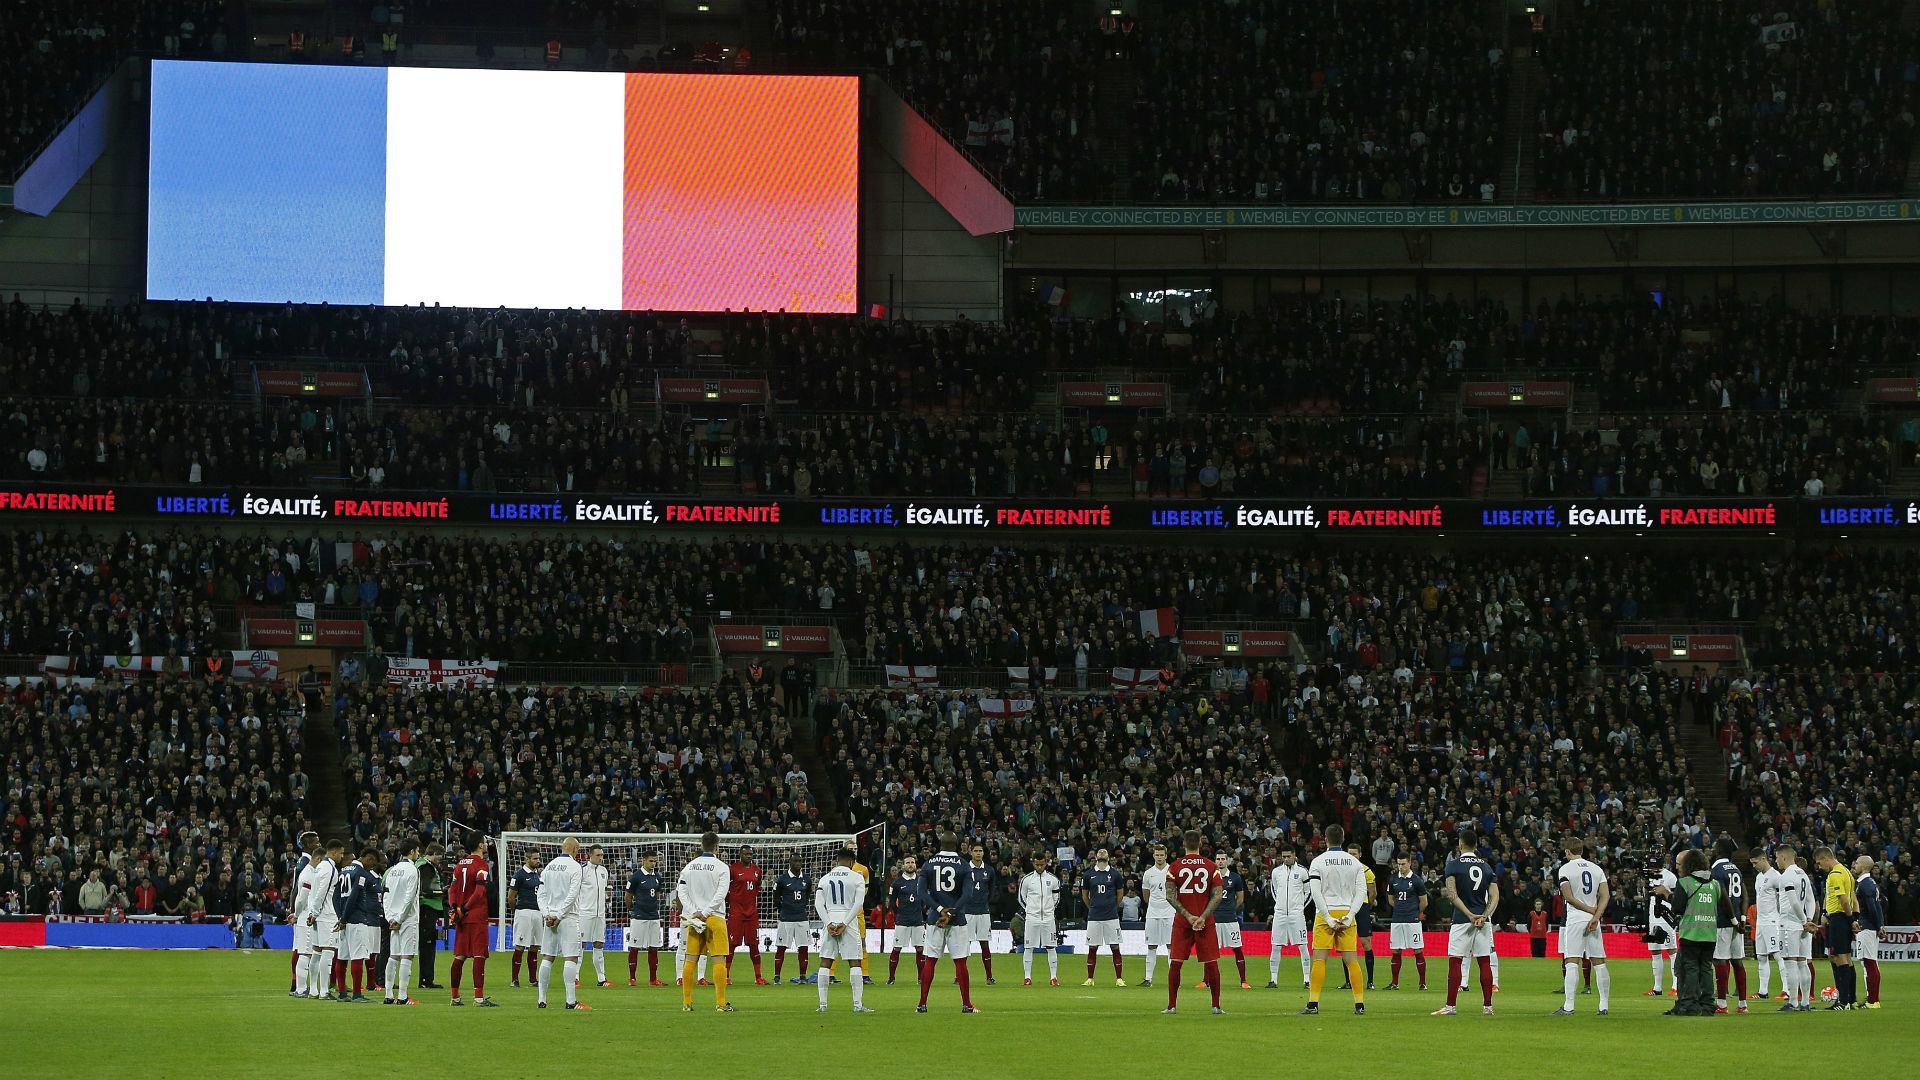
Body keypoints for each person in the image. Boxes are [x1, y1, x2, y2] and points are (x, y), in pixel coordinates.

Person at [1303, 824, 1368, 1016]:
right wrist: (1350, 915)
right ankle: (1359, 1005)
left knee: (1319, 960)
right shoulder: (1355, 863)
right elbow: (1362, 891)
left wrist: (1328, 918)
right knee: (1352, 961)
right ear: (1343, 839)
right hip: (1347, 913)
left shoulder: (1318, 862)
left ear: (1325, 839)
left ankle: (1313, 1004)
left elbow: (1315, 892)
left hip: (1325, 913)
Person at [1433, 829, 1498, 1017]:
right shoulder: (1486, 867)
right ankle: (1488, 1007)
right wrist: (1484, 916)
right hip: (1483, 922)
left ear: (1460, 845)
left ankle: (1450, 1006)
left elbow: (1452, 895)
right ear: (1476, 845)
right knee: (1484, 962)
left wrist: (1469, 915)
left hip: (1462, 920)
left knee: (1455, 961)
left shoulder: (1453, 865)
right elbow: (1495, 896)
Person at [916, 831, 980, 1013]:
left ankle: (922, 1004)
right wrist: (951, 912)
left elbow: (921, 893)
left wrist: (939, 910)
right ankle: (966, 1004)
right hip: (957, 919)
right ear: (957, 845)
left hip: (935, 919)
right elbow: (968, 894)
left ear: (940, 844)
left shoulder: (929, 864)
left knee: (930, 961)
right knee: (960, 962)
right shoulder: (964, 865)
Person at [1162, 828, 1223, 1015]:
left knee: (1176, 963)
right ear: (1200, 844)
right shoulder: (1212, 867)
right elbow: (1218, 895)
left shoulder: (1174, 867)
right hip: (1205, 921)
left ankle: (1172, 1006)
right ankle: (1215, 1006)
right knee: (1212, 963)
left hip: (1183, 922)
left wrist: (1188, 916)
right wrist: (1202, 917)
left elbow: (1170, 896)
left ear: (1183, 844)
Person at [1552, 838, 1611, 1016]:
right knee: (1599, 962)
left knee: (1572, 961)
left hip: (1576, 918)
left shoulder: (1565, 869)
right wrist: (1596, 916)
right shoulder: (1596, 869)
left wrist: (1588, 910)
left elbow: (1569, 897)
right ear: (1582, 851)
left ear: (1567, 852)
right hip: (1593, 920)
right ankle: (1603, 1005)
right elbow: (1606, 895)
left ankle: (1569, 1006)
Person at [676, 831, 733, 1012]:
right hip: (715, 918)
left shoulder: (689, 867)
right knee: (719, 959)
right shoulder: (722, 867)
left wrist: (694, 912)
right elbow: (721, 894)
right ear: (717, 846)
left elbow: (681, 892)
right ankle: (721, 1004)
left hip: (695, 920)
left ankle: (687, 1003)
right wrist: (706, 912)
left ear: (701, 846)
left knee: (690, 959)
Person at [814, 848, 874, 1014]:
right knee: (855, 962)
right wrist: (845, 923)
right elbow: (859, 903)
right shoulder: (857, 877)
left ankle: (823, 1005)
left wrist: (828, 923)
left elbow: (818, 904)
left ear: (837, 861)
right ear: (851, 862)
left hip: (830, 919)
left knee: (826, 961)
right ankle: (857, 1005)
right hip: (849, 921)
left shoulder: (825, 878)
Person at [1669, 849, 1726, 1017]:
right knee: (1706, 968)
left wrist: (1669, 896)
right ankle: (1708, 1004)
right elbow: (1721, 905)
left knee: (1691, 968)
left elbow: (1677, 908)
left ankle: (1690, 1004)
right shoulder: (1715, 884)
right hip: (1710, 934)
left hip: (1691, 933)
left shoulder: (1685, 883)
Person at [535, 837, 588, 1011]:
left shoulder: (549, 866)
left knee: (548, 956)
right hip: (567, 917)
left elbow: (541, 894)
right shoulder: (575, 867)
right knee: (571, 957)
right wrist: (559, 915)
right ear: (574, 849)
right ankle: (571, 1001)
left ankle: (541, 1000)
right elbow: (573, 894)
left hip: (549, 918)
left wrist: (546, 914)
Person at [448, 835, 495, 1006]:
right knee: (479, 955)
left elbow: (452, 889)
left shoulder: (460, 864)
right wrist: (466, 908)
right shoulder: (481, 865)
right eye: (485, 842)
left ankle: (455, 997)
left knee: (460, 956)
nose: (487, 845)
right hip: (476, 915)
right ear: (480, 845)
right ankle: (479, 998)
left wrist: (455, 908)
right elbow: (479, 892)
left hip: (461, 918)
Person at [336, 846, 383, 1003]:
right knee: (357, 957)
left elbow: (335, 897)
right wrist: (344, 918)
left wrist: (341, 917)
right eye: (372, 864)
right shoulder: (361, 873)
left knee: (342, 957)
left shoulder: (343, 871)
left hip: (345, 921)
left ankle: (342, 993)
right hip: (357, 920)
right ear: (368, 859)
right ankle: (357, 994)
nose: (371, 868)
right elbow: (354, 896)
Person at [1708, 838, 1749, 1013]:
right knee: (1737, 961)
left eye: (1714, 848)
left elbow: (1723, 898)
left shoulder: (1716, 871)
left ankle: (1722, 1004)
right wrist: (1742, 918)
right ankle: (1742, 1004)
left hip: (1724, 921)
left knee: (1720, 960)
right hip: (1738, 921)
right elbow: (1745, 894)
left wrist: (1733, 920)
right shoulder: (1735, 869)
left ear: (1718, 851)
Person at [1814, 846, 1857, 1010]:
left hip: (1839, 918)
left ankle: (1843, 1001)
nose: (1819, 867)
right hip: (1842, 917)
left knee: (1840, 958)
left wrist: (1850, 920)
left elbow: (1844, 900)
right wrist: (1853, 918)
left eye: (1819, 863)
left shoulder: (1835, 874)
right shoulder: (1846, 872)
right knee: (1846, 958)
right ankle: (1851, 999)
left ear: (1826, 858)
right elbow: (1853, 899)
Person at [1774, 844, 1816, 1011]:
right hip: (1803, 925)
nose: (1776, 861)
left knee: (1790, 962)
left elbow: (1793, 901)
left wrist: (1804, 921)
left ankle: (1793, 1002)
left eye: (1777, 857)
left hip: (1789, 924)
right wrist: (1808, 919)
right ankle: (1805, 1002)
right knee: (1803, 962)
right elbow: (1810, 900)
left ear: (1784, 857)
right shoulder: (1803, 874)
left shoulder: (1786, 876)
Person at [381, 837, 421, 1006]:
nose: (418, 854)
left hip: (393, 918)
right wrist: (400, 918)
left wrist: (390, 917)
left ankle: (388, 994)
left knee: (394, 955)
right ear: (411, 852)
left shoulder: (392, 870)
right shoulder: (413, 870)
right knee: (407, 955)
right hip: (407, 918)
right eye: (417, 851)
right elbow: (410, 897)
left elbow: (386, 895)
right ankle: (403, 996)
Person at [304, 839, 344, 999]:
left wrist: (312, 912)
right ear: (334, 852)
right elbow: (322, 892)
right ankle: (324, 991)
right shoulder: (330, 869)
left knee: (316, 952)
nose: (341, 856)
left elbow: (313, 892)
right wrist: (314, 913)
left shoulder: (319, 867)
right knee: (328, 952)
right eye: (340, 853)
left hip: (317, 914)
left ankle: (313, 990)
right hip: (327, 915)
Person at [1267, 844, 1310, 990]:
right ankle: (1273, 979)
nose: (1285, 859)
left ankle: (1307, 979)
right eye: (1283, 857)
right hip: (1280, 914)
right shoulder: (1276, 872)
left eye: (1288, 856)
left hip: (1296, 914)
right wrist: (1279, 906)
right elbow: (1274, 890)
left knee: (1302, 946)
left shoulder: (1303, 871)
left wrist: (1299, 907)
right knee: (1275, 946)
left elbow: (1308, 892)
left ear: (1294, 855)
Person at [1080, 848, 1124, 987]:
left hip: (1111, 917)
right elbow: (1084, 895)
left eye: (1105, 852)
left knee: (1115, 946)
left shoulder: (1115, 874)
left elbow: (1120, 894)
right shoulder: (1088, 874)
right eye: (1100, 852)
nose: (1102, 853)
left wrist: (1113, 907)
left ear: (1108, 857)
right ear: (1095, 856)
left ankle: (1119, 979)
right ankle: (1090, 979)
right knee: (1092, 947)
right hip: (1094, 917)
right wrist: (1092, 908)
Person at [289, 838, 327, 997]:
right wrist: (296, 915)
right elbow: (301, 898)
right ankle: (300, 989)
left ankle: (306, 988)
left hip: (305, 918)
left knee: (307, 953)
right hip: (304, 918)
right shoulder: (308, 874)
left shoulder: (309, 872)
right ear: (318, 859)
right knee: (305, 954)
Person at [1019, 851, 1061, 986]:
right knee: (1028, 947)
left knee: (1051, 946)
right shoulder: (1026, 880)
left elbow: (1056, 898)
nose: (1039, 867)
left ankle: (1053, 977)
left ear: (1046, 863)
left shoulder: (1053, 880)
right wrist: (1030, 910)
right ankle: (1027, 977)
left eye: (1041, 864)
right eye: (1037, 864)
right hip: (1032, 918)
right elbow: (1021, 898)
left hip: (1048, 918)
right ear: (1033, 863)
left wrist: (1049, 910)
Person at [726, 846, 767, 986]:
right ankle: (725, 976)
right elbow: (725, 889)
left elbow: (757, 888)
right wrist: (733, 902)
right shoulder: (732, 869)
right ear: (740, 854)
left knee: (754, 945)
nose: (749, 856)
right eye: (746, 854)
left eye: (750, 854)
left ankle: (758, 977)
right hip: (736, 914)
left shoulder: (757, 870)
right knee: (731, 945)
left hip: (752, 914)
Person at [1386, 855, 1427, 990]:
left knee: (1417, 950)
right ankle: (1394, 983)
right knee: (1396, 950)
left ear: (1409, 863)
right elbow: (1391, 900)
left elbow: (1424, 902)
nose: (1400, 867)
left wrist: (1414, 912)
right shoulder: (1393, 879)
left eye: (1403, 864)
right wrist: (1400, 909)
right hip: (1397, 919)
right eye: (1398, 864)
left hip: (1412, 921)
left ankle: (1422, 983)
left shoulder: (1417, 880)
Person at [625, 851, 666, 987]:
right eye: (651, 861)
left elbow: (657, 894)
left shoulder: (658, 877)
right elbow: (628, 896)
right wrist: (632, 909)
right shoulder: (636, 877)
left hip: (654, 916)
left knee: (654, 947)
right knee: (635, 947)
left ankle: (653, 979)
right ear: (644, 860)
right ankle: (632, 978)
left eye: (655, 861)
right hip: (639, 917)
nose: (653, 864)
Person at [771, 855, 812, 984]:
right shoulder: (782, 879)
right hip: (786, 919)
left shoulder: (807, 879)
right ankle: (777, 977)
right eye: (795, 861)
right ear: (790, 862)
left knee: (803, 947)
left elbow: (807, 895)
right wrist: (783, 909)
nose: (798, 863)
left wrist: (800, 907)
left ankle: (803, 976)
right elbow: (776, 898)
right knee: (781, 947)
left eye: (800, 861)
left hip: (801, 918)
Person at [1750, 848, 1784, 1002]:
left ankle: (1786, 990)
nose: (1754, 866)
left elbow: (1783, 899)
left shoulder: (1776, 876)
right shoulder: (1759, 877)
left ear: (1763, 859)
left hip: (1772, 921)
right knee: (1761, 956)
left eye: (1755, 862)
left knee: (1778, 954)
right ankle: (1763, 991)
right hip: (1761, 922)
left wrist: (1780, 918)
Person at [1141, 844, 1176, 988]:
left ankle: (1174, 979)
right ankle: (1148, 979)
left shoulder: (1172, 871)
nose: (1160, 857)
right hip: (1153, 913)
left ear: (1166, 856)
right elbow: (1146, 896)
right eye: (1157, 855)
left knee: (1171, 945)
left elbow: (1177, 892)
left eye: (1162, 855)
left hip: (1169, 913)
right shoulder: (1148, 873)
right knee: (1151, 945)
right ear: (1154, 855)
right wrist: (1155, 905)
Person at [1851, 856, 1883, 1009]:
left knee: (1869, 962)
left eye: (1857, 863)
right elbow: (1878, 906)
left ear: (1863, 866)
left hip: (1867, 927)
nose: (1854, 865)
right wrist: (1880, 925)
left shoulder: (1865, 884)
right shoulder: (1870, 883)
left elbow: (1872, 908)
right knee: (1870, 962)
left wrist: (1877, 926)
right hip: (1870, 927)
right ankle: (1872, 999)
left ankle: (1873, 1001)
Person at [884, 857, 923, 985]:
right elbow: (892, 902)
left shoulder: (922, 881)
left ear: (915, 865)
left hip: (918, 920)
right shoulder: (897, 883)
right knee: (897, 948)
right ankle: (891, 977)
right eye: (908, 863)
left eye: (912, 862)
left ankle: (921, 978)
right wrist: (899, 913)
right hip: (902, 921)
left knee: (920, 948)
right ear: (903, 866)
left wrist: (921, 910)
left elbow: (925, 899)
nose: (910, 865)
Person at [963, 843, 997, 985]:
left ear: (983, 853)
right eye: (975, 850)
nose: (978, 853)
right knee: (965, 944)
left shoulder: (989, 870)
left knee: (985, 943)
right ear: (971, 852)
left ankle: (989, 976)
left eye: (980, 851)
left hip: (983, 911)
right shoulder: (964, 869)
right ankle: (960, 976)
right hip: (967, 912)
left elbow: (992, 889)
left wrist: (985, 903)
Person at [415, 843, 447, 990]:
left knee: (427, 944)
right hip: (427, 908)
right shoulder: (425, 867)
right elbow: (425, 890)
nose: (441, 859)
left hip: (427, 908)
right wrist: (443, 892)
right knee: (427, 945)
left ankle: (426, 979)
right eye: (440, 855)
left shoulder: (423, 865)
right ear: (433, 853)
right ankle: (426, 980)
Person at [1342, 860, 1377, 991]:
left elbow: (1372, 892)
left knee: (1366, 942)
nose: (1352, 856)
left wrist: (1367, 906)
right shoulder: (1342, 867)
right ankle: (1348, 982)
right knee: (1346, 944)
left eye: (1355, 854)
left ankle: (1370, 981)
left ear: (1360, 854)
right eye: (1350, 854)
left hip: (1362, 907)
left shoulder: (1366, 870)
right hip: (1346, 906)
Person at [509, 851, 542, 988]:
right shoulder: (519, 875)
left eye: (538, 858)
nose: (538, 861)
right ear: (527, 859)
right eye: (535, 858)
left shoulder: (538, 875)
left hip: (538, 913)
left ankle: (533, 980)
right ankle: (514, 979)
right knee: (520, 945)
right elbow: (511, 897)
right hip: (524, 912)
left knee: (535, 946)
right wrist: (516, 911)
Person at [1646, 860, 1678, 998]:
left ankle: (1675, 986)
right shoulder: (1649, 877)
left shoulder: (1670, 876)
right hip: (1653, 917)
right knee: (1655, 951)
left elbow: (1675, 898)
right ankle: (1657, 987)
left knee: (1671, 950)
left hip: (1666, 917)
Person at [581, 846, 610, 988]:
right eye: (598, 855)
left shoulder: (604, 871)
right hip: (585, 913)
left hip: (600, 914)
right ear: (590, 855)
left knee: (599, 944)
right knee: (580, 944)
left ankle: (601, 979)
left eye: (602, 855)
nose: (600, 858)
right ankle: (575, 978)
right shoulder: (582, 871)